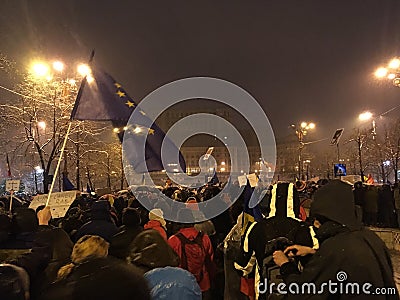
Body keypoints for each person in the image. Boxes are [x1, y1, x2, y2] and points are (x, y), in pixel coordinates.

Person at [273, 180, 398, 299]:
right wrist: (313, 252)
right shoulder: (370, 238)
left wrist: (285, 265)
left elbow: (304, 293)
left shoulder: (334, 248)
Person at [168, 208, 214, 299]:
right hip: (203, 283)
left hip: (182, 285)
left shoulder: (173, 240)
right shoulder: (204, 238)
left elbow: (169, 264)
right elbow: (210, 259)